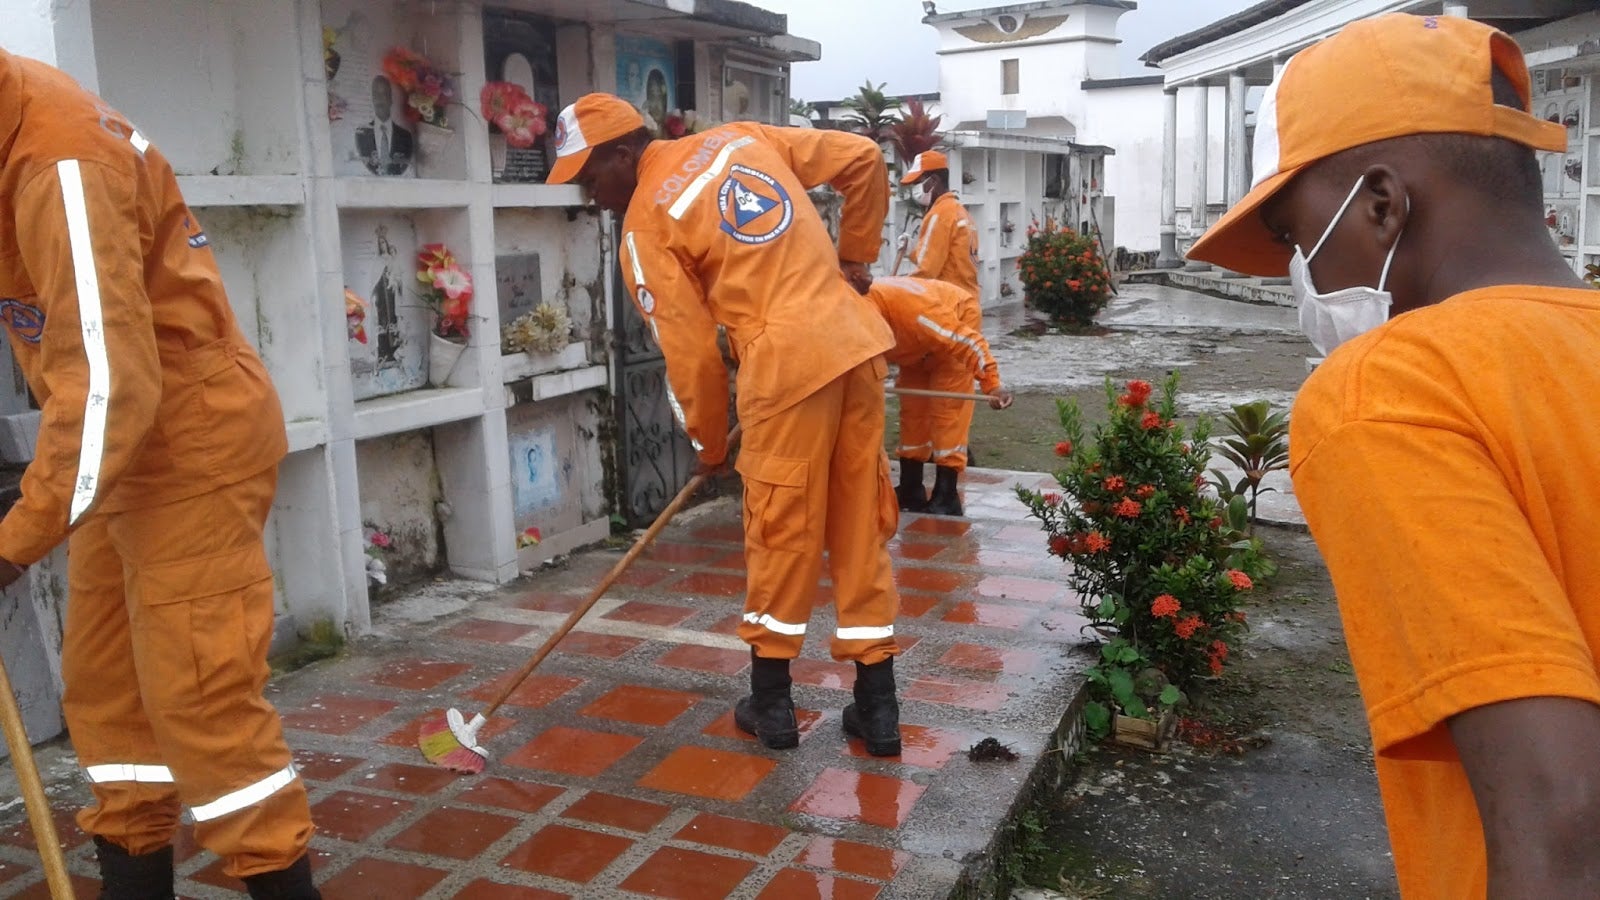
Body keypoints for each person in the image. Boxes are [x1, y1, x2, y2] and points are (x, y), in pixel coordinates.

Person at [1186, 14, 1599, 899]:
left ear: (1382, 203)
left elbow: (1560, 813)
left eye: (1297, 239)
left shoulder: (1393, 390)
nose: (1302, 276)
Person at [0, 50, 319, 898]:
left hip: (184, 445)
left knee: (203, 701)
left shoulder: (59, 162)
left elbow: (114, 383)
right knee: (107, 691)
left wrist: (13, 546)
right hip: (114, 454)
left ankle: (283, 883)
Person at [546, 93, 905, 757]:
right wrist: (853, 259)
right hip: (855, 350)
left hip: (785, 370)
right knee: (860, 523)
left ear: (624, 153)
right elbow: (862, 158)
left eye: (592, 178)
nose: (592, 197)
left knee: (781, 532)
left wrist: (709, 445)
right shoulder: (738, 138)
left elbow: (687, 358)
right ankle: (878, 709)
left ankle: (772, 707)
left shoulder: (645, 229)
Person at [860, 276, 1012, 515]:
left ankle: (947, 495)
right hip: (914, 347)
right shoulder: (854, 309)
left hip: (955, 321)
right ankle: (911, 487)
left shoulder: (917, 314)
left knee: (947, 408)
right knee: (913, 410)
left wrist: (992, 384)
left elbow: (966, 341)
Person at [900, 150, 981, 313]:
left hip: (949, 306)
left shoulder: (939, 215)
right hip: (967, 303)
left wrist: (892, 291)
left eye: (918, 182)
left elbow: (926, 271)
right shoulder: (959, 211)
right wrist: (912, 251)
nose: (915, 189)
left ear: (934, 180)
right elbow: (943, 258)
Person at [355, 75, 413, 176]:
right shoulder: (361, 134)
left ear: (390, 99)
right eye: (376, 94)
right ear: (372, 98)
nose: (380, 99)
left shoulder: (405, 136)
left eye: (384, 94)